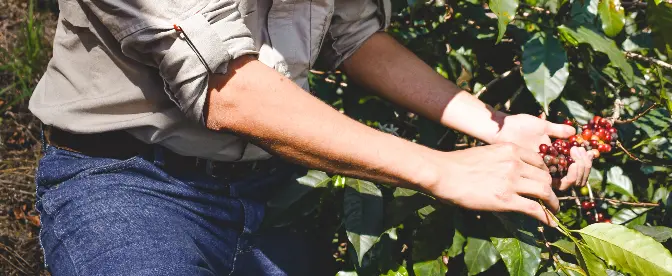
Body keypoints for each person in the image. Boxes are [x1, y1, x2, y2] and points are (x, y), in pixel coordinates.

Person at [29, 0, 593, 275]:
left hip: (270, 184)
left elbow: (353, 36)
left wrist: (494, 125)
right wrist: (443, 168)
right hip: (130, 182)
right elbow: (230, 90)